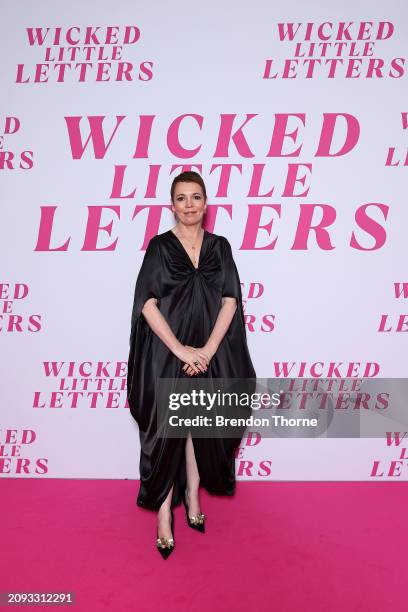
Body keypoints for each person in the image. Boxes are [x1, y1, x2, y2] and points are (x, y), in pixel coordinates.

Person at [127, 170, 256, 559]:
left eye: (196, 197)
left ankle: (191, 495)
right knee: (168, 433)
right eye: (181, 198)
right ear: (171, 205)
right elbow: (147, 304)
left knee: (197, 425)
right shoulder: (159, 247)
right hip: (166, 353)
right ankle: (164, 515)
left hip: (209, 352)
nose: (189, 205)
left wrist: (208, 351)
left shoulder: (221, 246)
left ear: (206, 203)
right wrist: (183, 351)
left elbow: (230, 300)